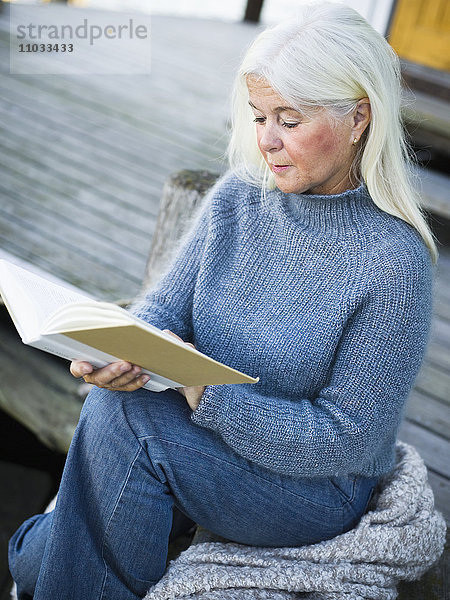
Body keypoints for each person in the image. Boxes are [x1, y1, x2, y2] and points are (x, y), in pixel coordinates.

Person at [9, 3, 437, 599]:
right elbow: (160, 316)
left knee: (104, 457)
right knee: (112, 406)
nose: (266, 140)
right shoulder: (237, 199)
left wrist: (208, 395)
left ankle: (43, 548)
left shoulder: (395, 263)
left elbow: (348, 441)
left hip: (312, 489)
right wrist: (110, 351)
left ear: (358, 117)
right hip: (206, 442)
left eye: (289, 120)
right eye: (260, 116)